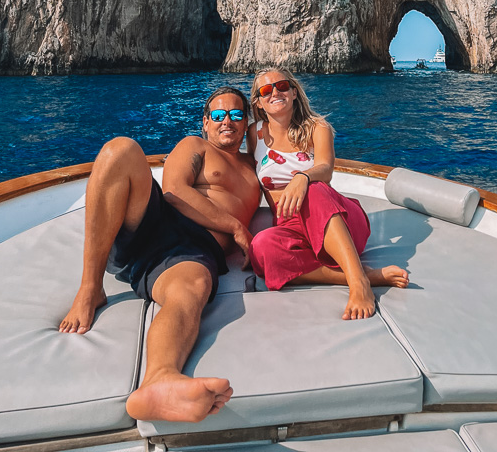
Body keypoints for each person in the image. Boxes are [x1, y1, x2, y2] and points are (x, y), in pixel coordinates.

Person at [59, 86, 260, 423]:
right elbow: (173, 191)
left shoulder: (256, 168)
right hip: (158, 220)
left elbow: (297, 154)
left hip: (191, 253)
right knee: (119, 150)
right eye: (219, 115)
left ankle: (160, 380)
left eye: (237, 115)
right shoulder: (195, 146)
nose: (228, 121)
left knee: (189, 292)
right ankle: (90, 287)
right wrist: (235, 227)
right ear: (206, 123)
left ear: (246, 124)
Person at [247, 68, 408, 320]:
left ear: (294, 92)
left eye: (282, 86)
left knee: (313, 189)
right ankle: (366, 275)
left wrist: (303, 177)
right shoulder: (253, 134)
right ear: (257, 102)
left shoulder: (317, 127)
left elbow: (325, 168)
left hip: (335, 220)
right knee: (260, 248)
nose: (275, 93)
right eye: (266, 90)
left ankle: (358, 283)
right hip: (291, 228)